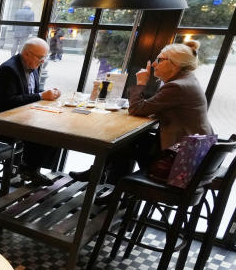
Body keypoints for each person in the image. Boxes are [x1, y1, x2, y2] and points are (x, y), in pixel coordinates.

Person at [71, 40, 214, 188]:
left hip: (179, 159)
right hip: (190, 151)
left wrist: (140, 83)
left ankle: (111, 185)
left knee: (122, 146)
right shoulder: (186, 80)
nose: (153, 64)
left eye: (159, 60)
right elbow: (153, 108)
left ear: (175, 64)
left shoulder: (177, 86)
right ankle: (108, 183)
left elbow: (137, 109)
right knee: (128, 142)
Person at [0, 37, 60, 185]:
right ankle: (29, 169)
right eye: (40, 57)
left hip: (21, 116)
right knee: (46, 133)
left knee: (56, 130)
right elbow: (7, 103)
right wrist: (40, 96)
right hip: (0, 122)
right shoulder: (9, 70)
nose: (43, 61)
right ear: (26, 54)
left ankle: (31, 168)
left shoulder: (32, 66)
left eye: (44, 57)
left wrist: (48, 93)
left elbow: (31, 91)